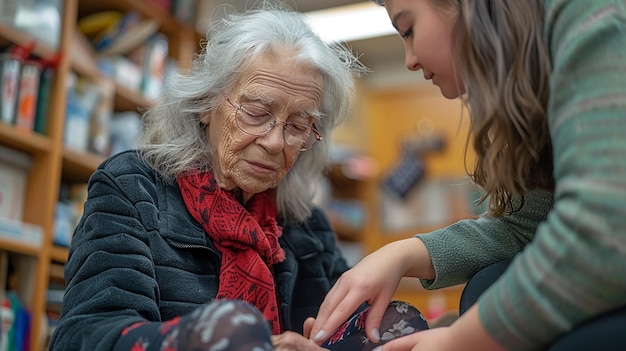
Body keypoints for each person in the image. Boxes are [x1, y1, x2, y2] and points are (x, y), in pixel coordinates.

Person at [48, 3, 428, 351]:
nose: (276, 142)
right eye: (256, 112)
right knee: (235, 326)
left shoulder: (305, 226)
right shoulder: (132, 188)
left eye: (298, 126)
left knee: (398, 325)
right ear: (207, 104)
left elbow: (348, 331)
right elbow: (85, 335)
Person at [308, 0, 626, 350]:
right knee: (487, 285)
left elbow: (604, 228)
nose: (409, 59)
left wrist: (460, 341)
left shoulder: (587, 15)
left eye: (409, 30)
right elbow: (529, 226)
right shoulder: (537, 80)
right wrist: (402, 254)